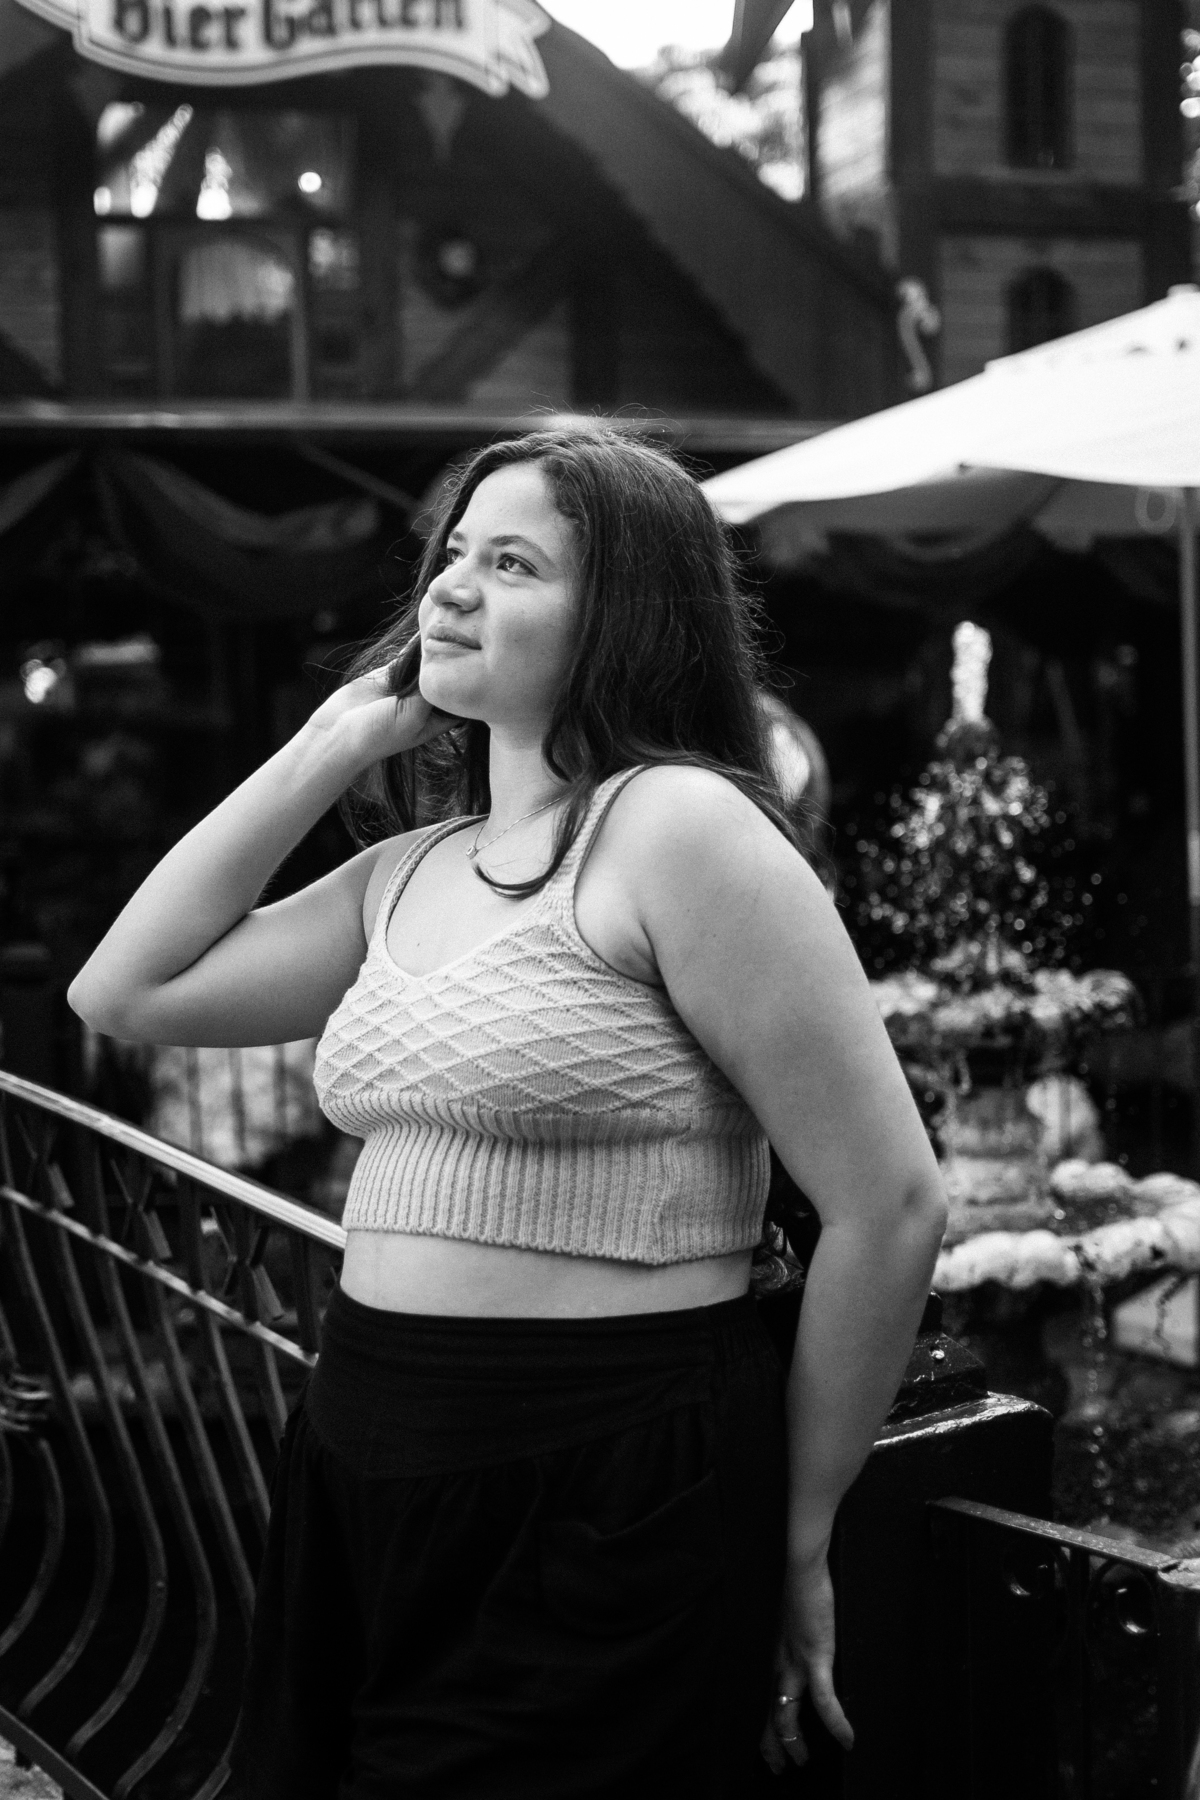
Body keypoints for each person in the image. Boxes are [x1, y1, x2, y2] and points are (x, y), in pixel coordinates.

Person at [68, 426, 947, 1798]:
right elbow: (125, 989)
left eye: (515, 562)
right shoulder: (408, 870)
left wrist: (802, 1526)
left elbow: (889, 1204)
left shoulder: (678, 829)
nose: (452, 588)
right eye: (453, 555)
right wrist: (328, 742)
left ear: (624, 614)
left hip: (605, 1468)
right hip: (363, 1438)